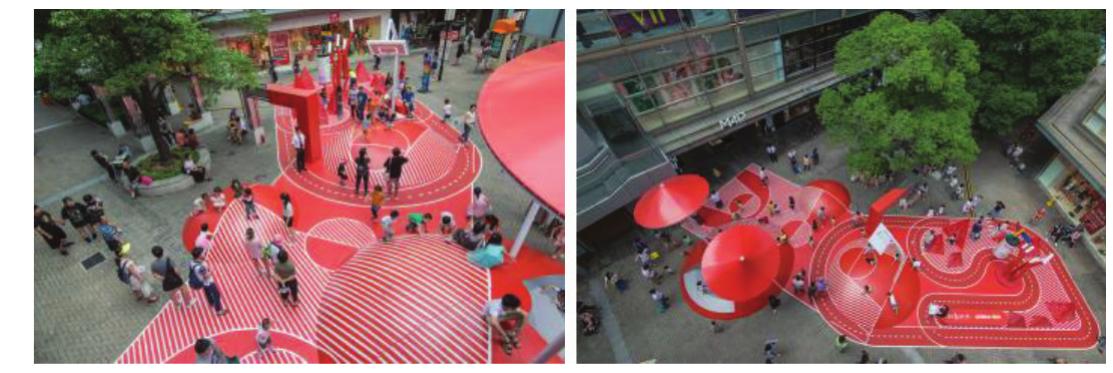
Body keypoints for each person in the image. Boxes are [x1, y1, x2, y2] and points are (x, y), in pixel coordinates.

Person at [189, 247, 227, 316]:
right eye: (203, 253)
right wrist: (211, 271)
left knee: (207, 291)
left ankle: (211, 302)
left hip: (202, 282)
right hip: (208, 282)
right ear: (199, 255)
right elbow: (206, 276)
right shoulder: (201, 267)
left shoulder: (192, 262)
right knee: (216, 294)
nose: (205, 254)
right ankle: (218, 310)